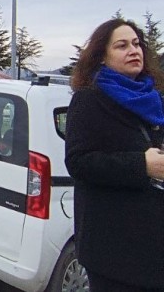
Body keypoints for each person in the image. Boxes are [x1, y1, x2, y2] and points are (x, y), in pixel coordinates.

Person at [65, 18, 164, 291]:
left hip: (154, 246)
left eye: (136, 44)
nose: (133, 50)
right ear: (102, 57)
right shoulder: (89, 100)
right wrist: (142, 165)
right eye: (122, 46)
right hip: (114, 252)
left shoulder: (153, 100)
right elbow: (78, 162)